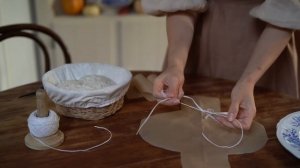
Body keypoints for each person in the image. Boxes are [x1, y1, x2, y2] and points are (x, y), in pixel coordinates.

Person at [141, 0, 300, 130]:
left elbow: (286, 10)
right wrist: (175, 66)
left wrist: (248, 81)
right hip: (196, 42)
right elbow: (179, 6)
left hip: (265, 50)